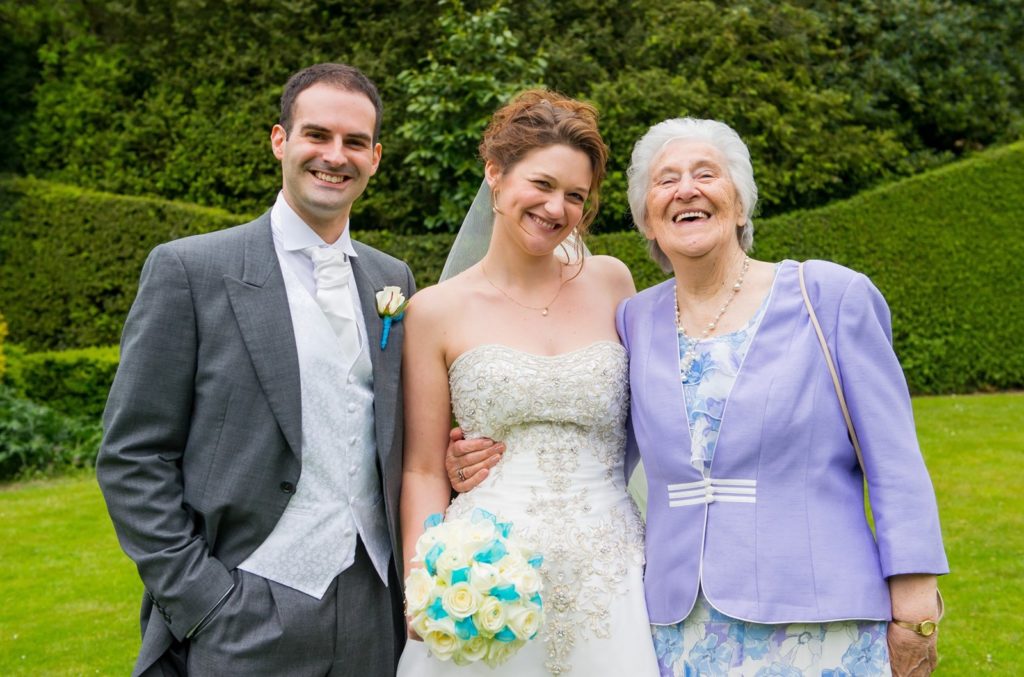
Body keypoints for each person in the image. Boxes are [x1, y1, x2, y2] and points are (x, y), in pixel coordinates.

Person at [451, 118, 949, 676]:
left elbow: (895, 463)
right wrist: (476, 458)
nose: (686, 190)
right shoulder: (635, 320)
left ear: (740, 204)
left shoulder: (830, 297)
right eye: (666, 181)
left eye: (706, 174)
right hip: (681, 630)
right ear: (647, 219)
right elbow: (593, 439)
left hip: (821, 623)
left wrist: (916, 609)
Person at [97, 63, 414, 676]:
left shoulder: (390, 278)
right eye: (317, 134)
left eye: (354, 142)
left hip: (377, 605)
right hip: (245, 607)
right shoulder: (189, 270)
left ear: (375, 158)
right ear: (279, 140)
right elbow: (133, 455)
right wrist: (202, 598)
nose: (335, 156)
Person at [397, 90, 659, 676]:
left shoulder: (613, 282)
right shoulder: (434, 311)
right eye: (541, 184)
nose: (556, 207)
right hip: (485, 574)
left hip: (611, 569)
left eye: (575, 196)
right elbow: (422, 468)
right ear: (495, 173)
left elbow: (655, 416)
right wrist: (424, 578)